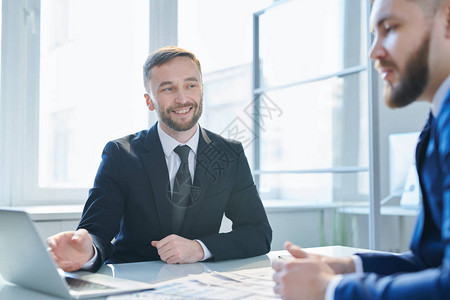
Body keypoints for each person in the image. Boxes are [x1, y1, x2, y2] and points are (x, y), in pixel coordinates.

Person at [272, 0, 450, 299]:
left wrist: (330, 288)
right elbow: (429, 261)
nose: (374, 52)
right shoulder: (436, 121)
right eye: (372, 35)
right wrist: (345, 267)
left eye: (390, 28)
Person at [47, 46, 272, 272]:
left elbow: (258, 232)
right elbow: (96, 233)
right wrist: (87, 252)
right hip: (133, 284)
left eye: (190, 85)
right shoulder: (120, 154)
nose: (182, 98)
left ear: (202, 90)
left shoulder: (229, 154)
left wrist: (200, 248)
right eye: (168, 89)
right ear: (149, 101)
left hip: (203, 283)